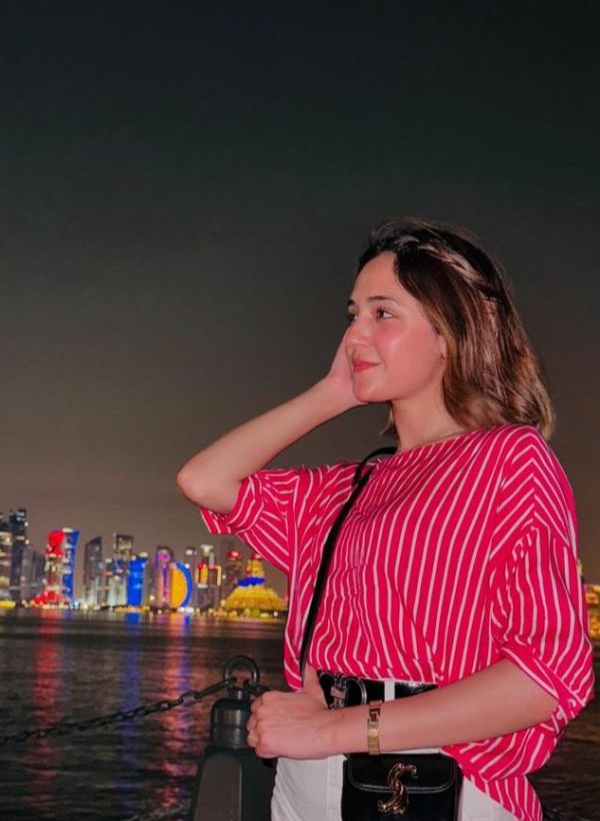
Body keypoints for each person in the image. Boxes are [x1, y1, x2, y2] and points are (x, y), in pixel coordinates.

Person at [177, 218, 594, 821]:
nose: (354, 334)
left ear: (450, 332)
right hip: (306, 780)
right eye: (352, 315)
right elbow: (204, 481)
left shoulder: (508, 460)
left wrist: (334, 730)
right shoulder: (345, 488)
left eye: (383, 313)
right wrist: (332, 393)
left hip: (434, 782)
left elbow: (545, 676)